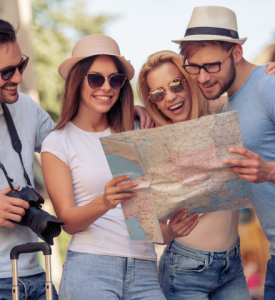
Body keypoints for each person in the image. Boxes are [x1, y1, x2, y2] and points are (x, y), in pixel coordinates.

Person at [0, 18, 152, 300]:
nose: (18, 78)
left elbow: (77, 145)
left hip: (34, 273)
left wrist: (122, 107)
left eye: (20, 66)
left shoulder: (26, 107)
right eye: (6, 71)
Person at [40, 34, 199, 300]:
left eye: (115, 79)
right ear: (77, 81)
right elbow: (67, 222)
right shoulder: (57, 143)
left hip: (145, 270)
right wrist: (104, 201)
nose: (106, 87)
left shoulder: (137, 130)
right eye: (95, 78)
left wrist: (171, 231)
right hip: (90, 270)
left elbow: (147, 220)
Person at [175, 6, 275, 300]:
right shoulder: (229, 106)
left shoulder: (274, 86)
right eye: (194, 66)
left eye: (211, 65)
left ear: (237, 53)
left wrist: (269, 172)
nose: (202, 77)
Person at [137, 50, 275, 300]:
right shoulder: (152, 141)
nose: (170, 97)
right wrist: (170, 232)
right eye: (158, 94)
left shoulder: (222, 115)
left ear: (189, 82)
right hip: (184, 267)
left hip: (232, 264)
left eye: (176, 85)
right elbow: (143, 224)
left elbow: (251, 91)